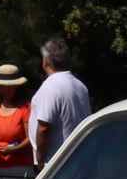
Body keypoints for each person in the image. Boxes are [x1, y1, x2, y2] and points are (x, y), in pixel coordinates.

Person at [29, 36, 92, 167]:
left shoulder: (51, 86)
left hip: (54, 163)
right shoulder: (80, 86)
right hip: (77, 159)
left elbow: (44, 128)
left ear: (46, 61)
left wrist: (40, 160)